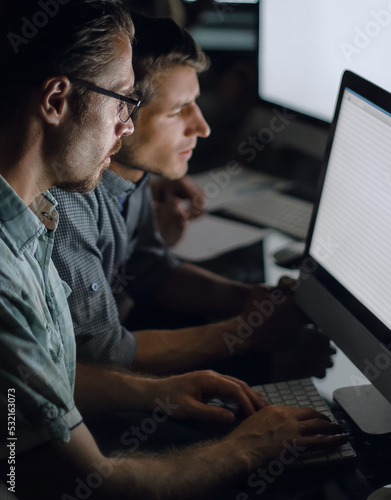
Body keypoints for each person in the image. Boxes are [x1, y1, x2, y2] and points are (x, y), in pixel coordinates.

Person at [0, 2, 347, 498]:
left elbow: (50, 377)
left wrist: (157, 391)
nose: (125, 127)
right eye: (123, 100)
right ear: (56, 99)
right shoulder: (16, 263)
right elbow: (80, 482)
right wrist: (249, 447)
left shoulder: (33, 220)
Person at [51, 11, 334, 381]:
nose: (202, 127)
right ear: (119, 113)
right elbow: (103, 357)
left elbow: (151, 271)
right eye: (178, 110)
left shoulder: (133, 176)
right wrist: (247, 333)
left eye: (196, 103)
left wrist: (254, 301)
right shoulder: (66, 206)